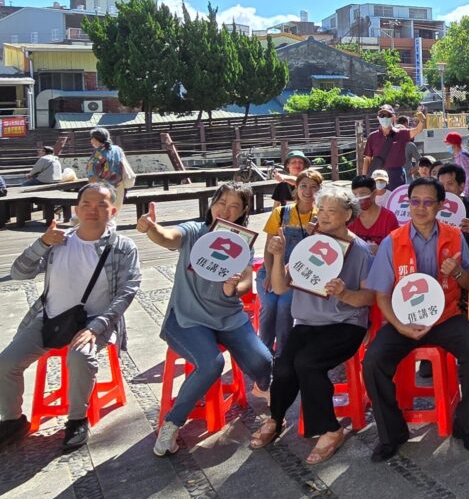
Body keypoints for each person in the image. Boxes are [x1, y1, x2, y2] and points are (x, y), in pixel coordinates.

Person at [0, 183, 141, 451]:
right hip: (50, 318)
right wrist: (41, 243)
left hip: (95, 321)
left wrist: (97, 327)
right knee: (6, 363)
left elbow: (127, 290)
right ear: (76, 208)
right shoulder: (58, 241)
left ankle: (77, 419)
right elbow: (19, 273)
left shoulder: (122, 247)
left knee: (79, 356)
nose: (92, 210)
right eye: (86, 204)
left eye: (101, 205)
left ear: (112, 211)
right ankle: (12, 420)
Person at [137, 182, 273, 456]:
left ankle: (263, 387)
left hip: (228, 316)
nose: (226, 210)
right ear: (212, 204)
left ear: (243, 211)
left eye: (234, 206)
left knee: (263, 362)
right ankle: (171, 424)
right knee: (211, 363)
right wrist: (152, 228)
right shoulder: (194, 231)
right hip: (188, 318)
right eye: (221, 202)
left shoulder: (242, 242)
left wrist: (233, 287)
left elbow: (247, 282)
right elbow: (168, 237)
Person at [361, 177, 469, 461]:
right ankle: (392, 434)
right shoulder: (392, 241)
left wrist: (457, 272)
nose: (421, 208)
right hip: (403, 320)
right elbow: (381, 294)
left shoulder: (454, 236)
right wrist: (399, 326)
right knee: (373, 361)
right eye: (415, 201)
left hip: (446, 317)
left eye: (428, 202)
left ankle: (465, 427)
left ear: (441, 205)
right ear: (408, 204)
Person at [250, 186, 375, 464]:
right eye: (322, 210)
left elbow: (369, 297)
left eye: (333, 211)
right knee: (283, 365)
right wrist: (279, 255)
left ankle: (331, 429)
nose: (325, 216)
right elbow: (280, 287)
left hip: (345, 324)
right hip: (307, 322)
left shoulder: (360, 251)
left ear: (348, 215)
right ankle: (276, 418)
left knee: (307, 362)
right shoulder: (310, 243)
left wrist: (345, 294)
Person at [257, 168, 323, 360]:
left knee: (285, 306)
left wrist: (317, 232)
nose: (308, 191)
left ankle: (282, 354)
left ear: (320, 190)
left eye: (314, 187)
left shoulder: (321, 217)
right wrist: (270, 274)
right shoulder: (280, 213)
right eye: (303, 186)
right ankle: (263, 352)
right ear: (296, 189)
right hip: (271, 269)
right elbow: (268, 247)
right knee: (269, 305)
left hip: (299, 276)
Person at [363, 104, 427, 189]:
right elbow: (367, 159)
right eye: (382, 115)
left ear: (393, 117)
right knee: (379, 197)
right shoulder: (372, 137)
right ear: (378, 118)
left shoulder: (401, 133)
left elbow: (418, 130)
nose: (385, 118)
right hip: (378, 175)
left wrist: (422, 120)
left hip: (397, 174)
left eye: (388, 115)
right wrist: (364, 180)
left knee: (397, 197)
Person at [349, 175, 400, 253]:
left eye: (363, 193)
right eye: (355, 194)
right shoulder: (351, 218)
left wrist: (380, 250)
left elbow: (397, 247)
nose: (358, 198)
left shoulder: (388, 217)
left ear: (375, 193)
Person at [85, 127, 128, 210]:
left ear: (95, 139)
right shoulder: (118, 149)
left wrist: (91, 191)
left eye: (91, 138)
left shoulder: (98, 154)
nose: (91, 140)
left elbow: (92, 174)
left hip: (103, 189)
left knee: (103, 213)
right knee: (114, 212)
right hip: (119, 186)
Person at [443, 132, 469, 199]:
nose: (447, 146)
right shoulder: (458, 155)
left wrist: (466, 194)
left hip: (467, 193)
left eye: (448, 144)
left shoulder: (462, 156)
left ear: (454, 144)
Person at [396, 115, 422, 182]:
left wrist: (414, 170)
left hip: (408, 179)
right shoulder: (388, 145)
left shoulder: (409, 145)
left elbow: (420, 160)